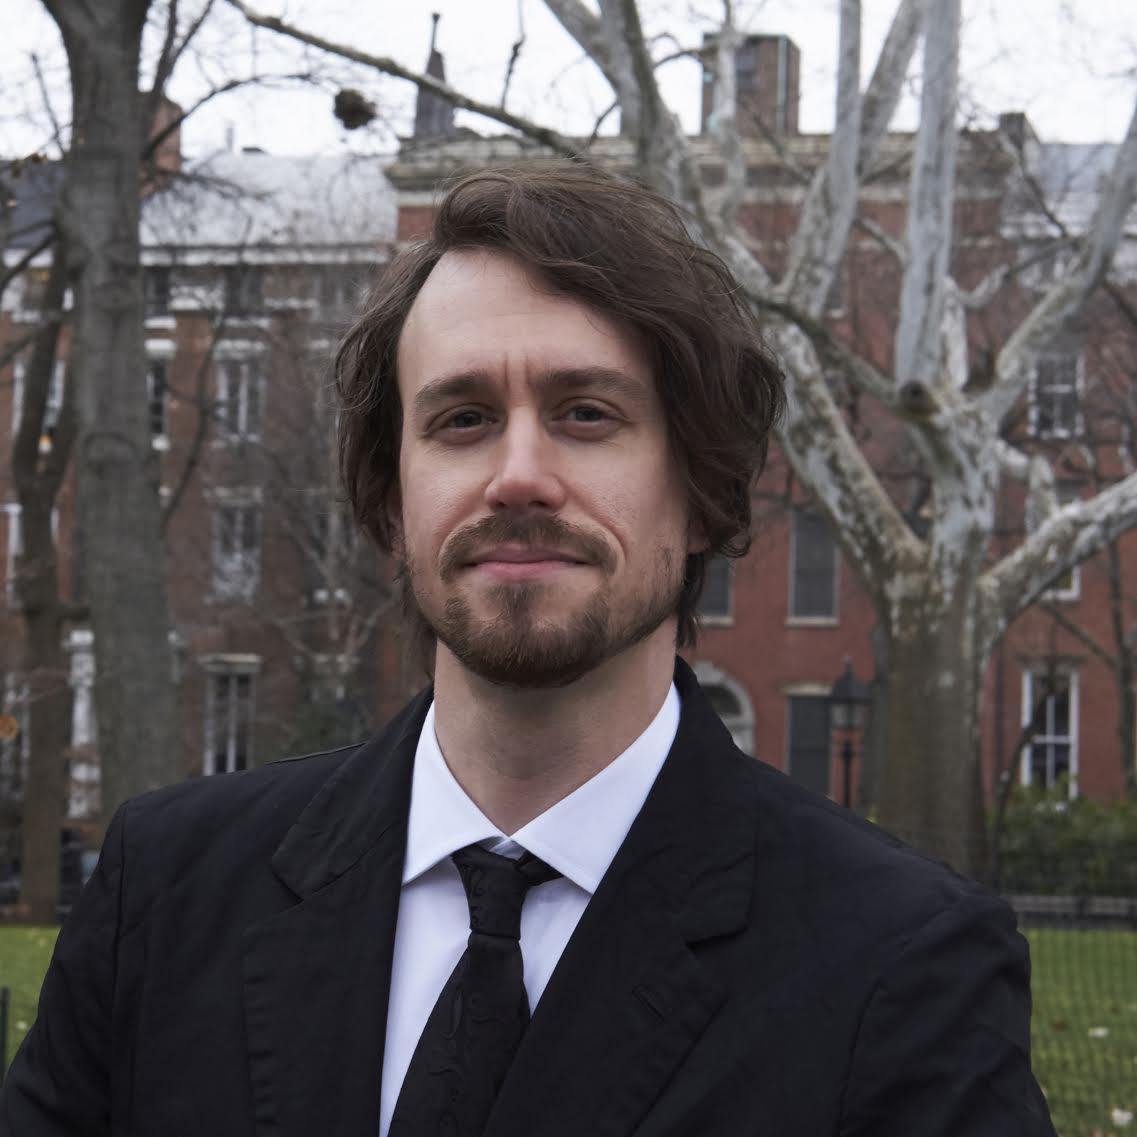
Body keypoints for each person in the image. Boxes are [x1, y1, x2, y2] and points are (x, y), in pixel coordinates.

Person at [1, 163, 1056, 1137]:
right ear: (391, 496)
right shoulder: (170, 896)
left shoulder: (898, 962)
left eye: (586, 413)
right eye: (460, 419)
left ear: (701, 493)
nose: (517, 475)